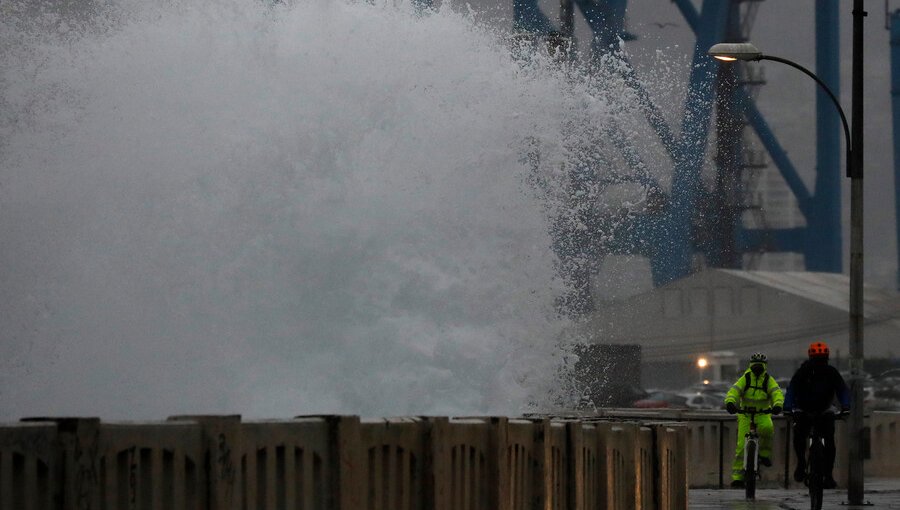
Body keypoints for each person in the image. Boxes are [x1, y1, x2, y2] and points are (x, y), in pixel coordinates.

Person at [784, 341, 850, 489]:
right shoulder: (803, 371)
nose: (819, 363)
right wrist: (788, 408)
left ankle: (827, 475)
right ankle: (801, 463)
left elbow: (842, 390)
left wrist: (846, 407)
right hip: (804, 410)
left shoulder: (831, 372)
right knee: (800, 436)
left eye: (822, 360)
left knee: (829, 442)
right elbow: (792, 390)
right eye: (817, 360)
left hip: (824, 410)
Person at [724, 352, 785, 488]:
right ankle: (738, 478)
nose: (758, 368)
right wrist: (730, 403)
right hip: (745, 414)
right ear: (751, 365)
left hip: (762, 414)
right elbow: (734, 391)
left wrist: (777, 405)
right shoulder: (745, 378)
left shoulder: (768, 380)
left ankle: (764, 454)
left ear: (764, 366)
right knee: (741, 446)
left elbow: (777, 393)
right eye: (756, 365)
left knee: (767, 428)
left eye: (760, 365)